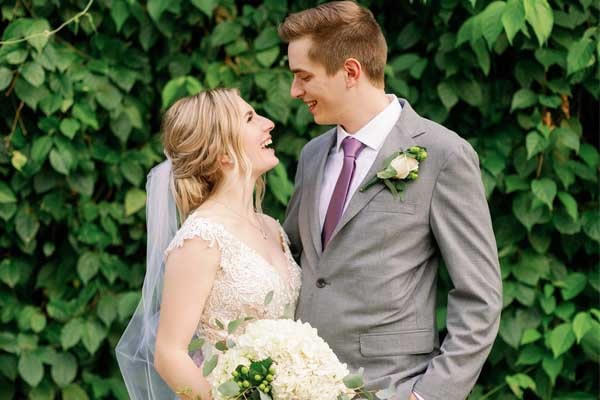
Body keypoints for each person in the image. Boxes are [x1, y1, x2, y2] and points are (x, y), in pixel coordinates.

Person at [279, 2, 502, 400]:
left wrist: (429, 395)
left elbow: (480, 297)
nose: (295, 91)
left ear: (350, 71)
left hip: (392, 386)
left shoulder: (443, 154)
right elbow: (292, 259)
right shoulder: (312, 155)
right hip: (302, 386)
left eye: (304, 77)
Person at [116, 88, 301, 400]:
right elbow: (169, 355)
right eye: (250, 118)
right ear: (223, 152)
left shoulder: (271, 227)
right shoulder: (201, 238)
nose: (268, 123)